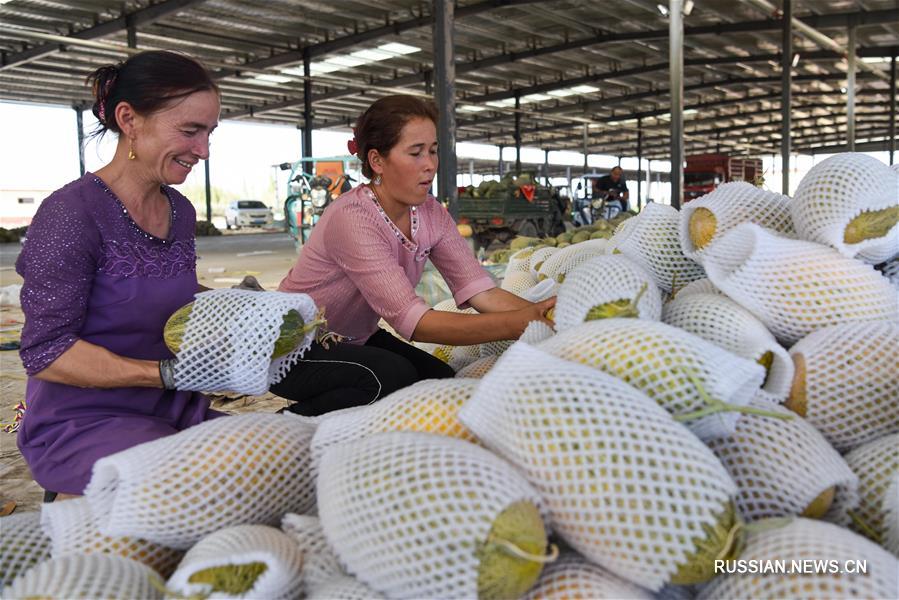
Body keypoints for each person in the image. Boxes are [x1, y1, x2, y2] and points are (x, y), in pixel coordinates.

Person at [15, 50, 222, 498]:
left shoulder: (179, 210)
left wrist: (242, 310)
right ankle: (73, 497)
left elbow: (159, 290)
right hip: (84, 421)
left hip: (174, 409)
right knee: (194, 487)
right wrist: (166, 373)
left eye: (209, 133)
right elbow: (47, 352)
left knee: (278, 459)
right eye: (190, 131)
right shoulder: (70, 214)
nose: (203, 150)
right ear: (129, 119)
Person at [273, 94, 555, 416]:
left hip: (354, 339)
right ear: (377, 161)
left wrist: (545, 314)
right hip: (293, 346)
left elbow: (480, 289)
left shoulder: (431, 212)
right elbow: (415, 323)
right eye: (416, 152)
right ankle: (283, 428)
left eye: (433, 151)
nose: (430, 164)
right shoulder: (353, 218)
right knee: (390, 378)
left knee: (441, 382)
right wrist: (517, 324)